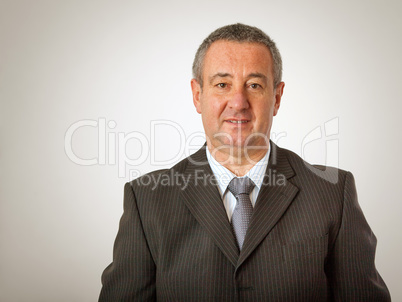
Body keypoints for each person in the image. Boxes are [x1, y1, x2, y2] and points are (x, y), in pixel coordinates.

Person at [99, 23, 390, 301]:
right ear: (198, 95)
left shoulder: (332, 193)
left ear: (276, 97)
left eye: (253, 85)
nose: (238, 102)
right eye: (223, 84)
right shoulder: (147, 199)